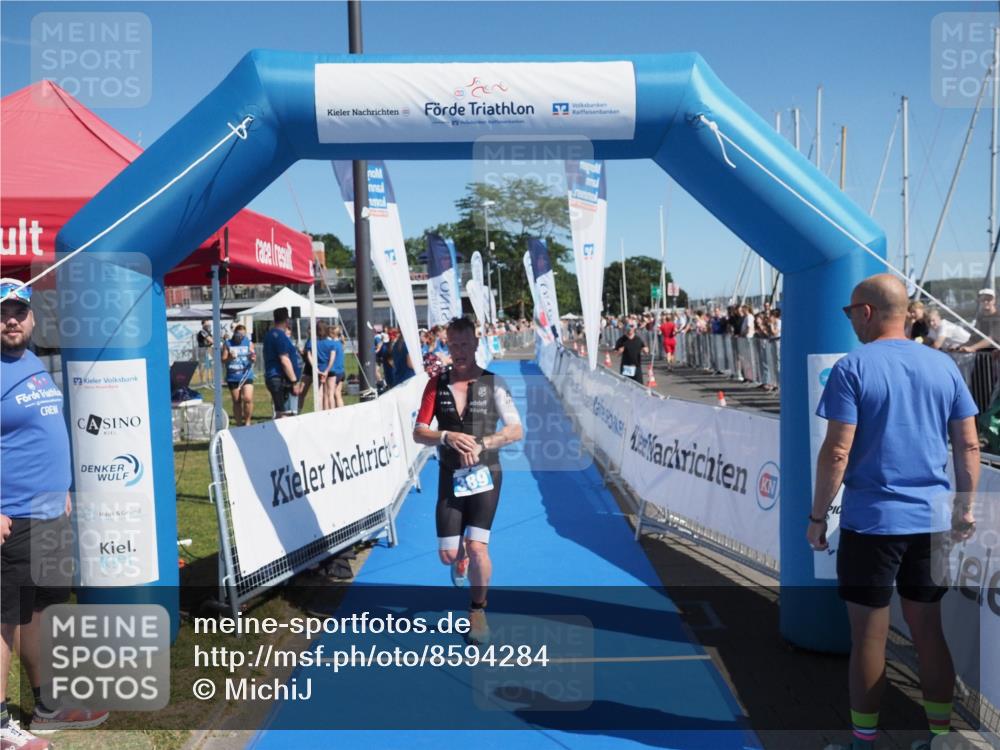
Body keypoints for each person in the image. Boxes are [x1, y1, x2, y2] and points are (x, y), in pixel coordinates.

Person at [808, 274, 979, 750]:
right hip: (932, 521)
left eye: (850, 312)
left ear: (866, 312)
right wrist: (965, 508)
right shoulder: (943, 365)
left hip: (873, 524)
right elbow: (968, 445)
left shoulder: (853, 367)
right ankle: (940, 738)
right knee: (929, 631)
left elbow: (836, 452)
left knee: (869, 638)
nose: (850, 321)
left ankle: (864, 742)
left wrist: (818, 517)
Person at [1, 279, 109, 749]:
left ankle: (48, 704)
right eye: (2, 313)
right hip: (13, 517)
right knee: (5, 618)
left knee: (39, 609)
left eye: (18, 312)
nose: (11, 320)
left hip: (49, 512)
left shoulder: (32, 362)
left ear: (32, 318)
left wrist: (60, 487)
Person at [413, 316, 523, 646]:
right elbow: (419, 432)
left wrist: (483, 443)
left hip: (486, 476)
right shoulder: (436, 384)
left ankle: (478, 610)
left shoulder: (494, 383)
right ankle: (459, 555)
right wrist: (445, 436)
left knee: (478, 548)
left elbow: (515, 430)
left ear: (476, 344)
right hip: (450, 475)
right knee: (448, 555)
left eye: (465, 344)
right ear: (447, 345)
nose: (459, 351)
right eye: (453, 345)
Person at [263, 307, 303, 418]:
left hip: (276, 377)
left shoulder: (270, 334)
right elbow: (284, 360)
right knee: (284, 413)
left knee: (282, 411)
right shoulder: (279, 336)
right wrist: (294, 381)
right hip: (280, 378)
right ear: (287, 320)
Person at [221, 323, 256, 426]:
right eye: (239, 334)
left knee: (248, 398)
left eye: (243, 334)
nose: (241, 336)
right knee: (237, 401)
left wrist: (252, 358)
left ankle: (248, 422)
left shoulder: (248, 343)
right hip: (233, 376)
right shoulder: (228, 343)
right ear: (234, 333)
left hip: (246, 374)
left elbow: (253, 356)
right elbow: (223, 359)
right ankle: (239, 424)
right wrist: (230, 358)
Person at [196, 319, 214, 387]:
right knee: (202, 366)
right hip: (202, 351)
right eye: (206, 324)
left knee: (210, 366)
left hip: (208, 350)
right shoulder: (202, 332)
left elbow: (211, 341)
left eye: (209, 324)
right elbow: (211, 341)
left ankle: (210, 381)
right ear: (203, 324)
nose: (208, 325)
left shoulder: (208, 332)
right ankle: (202, 382)